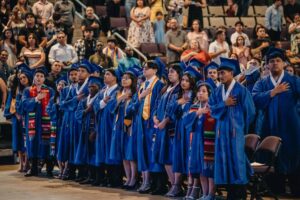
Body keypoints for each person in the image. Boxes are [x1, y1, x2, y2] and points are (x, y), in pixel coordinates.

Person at [252, 47, 300, 197]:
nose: (275, 64)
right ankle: (275, 190)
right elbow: (254, 99)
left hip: (291, 127)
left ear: (284, 63)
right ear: (266, 65)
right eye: (271, 61)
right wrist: (272, 93)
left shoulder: (293, 80)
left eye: (278, 61)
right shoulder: (263, 83)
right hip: (269, 126)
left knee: (293, 156)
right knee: (272, 158)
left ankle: (296, 190)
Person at [209, 57, 255, 200]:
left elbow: (250, 112)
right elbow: (212, 110)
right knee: (224, 161)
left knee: (237, 160)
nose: (220, 76)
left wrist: (240, 127)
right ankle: (230, 192)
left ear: (232, 72)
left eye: (223, 73)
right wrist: (225, 103)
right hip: (221, 132)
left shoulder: (241, 90)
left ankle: (240, 193)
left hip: (236, 132)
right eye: (219, 73)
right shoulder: (217, 92)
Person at [171, 66, 202, 197]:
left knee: (190, 159)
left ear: (192, 82)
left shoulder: (196, 97)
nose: (183, 82)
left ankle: (193, 187)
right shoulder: (179, 95)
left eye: (187, 80)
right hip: (179, 130)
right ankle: (177, 185)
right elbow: (171, 113)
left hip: (190, 131)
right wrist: (179, 102)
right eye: (182, 79)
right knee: (179, 157)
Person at [152, 63, 182, 196]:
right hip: (161, 128)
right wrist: (154, 117)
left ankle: (177, 185)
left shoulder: (179, 90)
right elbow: (157, 104)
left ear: (179, 74)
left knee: (171, 157)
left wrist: (165, 121)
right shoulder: (166, 88)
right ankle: (172, 184)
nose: (169, 74)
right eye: (169, 72)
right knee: (164, 157)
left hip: (171, 129)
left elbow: (174, 110)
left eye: (173, 72)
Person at [135, 60, 164, 194]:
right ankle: (146, 181)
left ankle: (157, 184)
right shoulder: (142, 84)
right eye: (143, 68)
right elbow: (137, 102)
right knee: (143, 153)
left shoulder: (159, 84)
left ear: (155, 70)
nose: (144, 70)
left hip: (152, 123)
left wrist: (154, 118)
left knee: (153, 153)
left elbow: (159, 104)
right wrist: (140, 96)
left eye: (146, 68)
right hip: (141, 122)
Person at [110, 67, 139, 190]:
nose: (124, 80)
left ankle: (134, 179)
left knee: (130, 154)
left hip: (130, 126)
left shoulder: (136, 93)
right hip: (119, 126)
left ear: (132, 80)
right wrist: (122, 98)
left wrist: (129, 99)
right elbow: (112, 108)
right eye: (123, 78)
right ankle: (127, 179)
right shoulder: (118, 93)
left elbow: (135, 109)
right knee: (123, 155)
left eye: (127, 78)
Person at [185, 82, 216, 200]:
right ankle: (204, 194)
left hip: (209, 141)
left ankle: (211, 194)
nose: (200, 93)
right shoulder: (194, 107)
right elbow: (186, 122)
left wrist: (206, 112)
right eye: (199, 91)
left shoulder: (213, 106)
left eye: (204, 91)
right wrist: (198, 113)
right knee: (200, 168)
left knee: (209, 167)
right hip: (197, 140)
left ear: (209, 93)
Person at [22, 68, 54, 177]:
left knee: (47, 144)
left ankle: (49, 170)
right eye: (37, 76)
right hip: (32, 122)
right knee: (33, 144)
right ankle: (33, 168)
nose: (39, 78)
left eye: (41, 76)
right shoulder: (28, 90)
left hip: (46, 122)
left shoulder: (50, 91)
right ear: (34, 78)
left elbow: (53, 105)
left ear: (44, 79)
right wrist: (36, 99)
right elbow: (24, 105)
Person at [93, 68, 121, 187]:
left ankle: (114, 179)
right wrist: (103, 102)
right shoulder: (102, 91)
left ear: (115, 77)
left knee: (111, 149)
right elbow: (95, 106)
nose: (105, 76)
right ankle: (101, 178)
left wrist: (104, 104)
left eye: (108, 74)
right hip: (101, 124)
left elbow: (113, 107)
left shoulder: (118, 91)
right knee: (101, 150)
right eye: (104, 74)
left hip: (111, 124)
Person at [74, 76, 103, 185]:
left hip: (96, 131)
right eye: (90, 86)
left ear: (99, 87)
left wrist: (95, 131)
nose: (91, 88)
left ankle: (98, 177)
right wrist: (87, 110)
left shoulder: (99, 99)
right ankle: (89, 176)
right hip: (85, 130)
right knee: (87, 154)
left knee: (96, 154)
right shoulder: (84, 100)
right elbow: (77, 114)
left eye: (94, 86)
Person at [4, 66, 32, 173]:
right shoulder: (16, 89)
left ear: (28, 77)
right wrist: (15, 114)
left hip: (28, 118)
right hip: (17, 118)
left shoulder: (32, 89)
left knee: (27, 141)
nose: (22, 80)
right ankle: (21, 164)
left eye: (24, 77)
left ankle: (27, 163)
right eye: (20, 78)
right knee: (19, 141)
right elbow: (11, 103)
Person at [57, 65, 79, 180]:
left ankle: (71, 169)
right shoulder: (65, 89)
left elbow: (69, 104)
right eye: (71, 74)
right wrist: (75, 100)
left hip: (76, 118)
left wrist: (68, 103)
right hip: (66, 119)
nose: (74, 76)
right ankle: (65, 169)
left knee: (73, 143)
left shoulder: (81, 88)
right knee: (65, 143)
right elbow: (61, 104)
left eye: (76, 74)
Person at [46, 76, 67, 178]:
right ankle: (60, 169)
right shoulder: (53, 99)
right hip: (55, 125)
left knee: (64, 146)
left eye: (63, 85)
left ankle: (65, 170)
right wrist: (55, 107)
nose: (60, 87)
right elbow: (48, 110)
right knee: (56, 148)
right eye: (59, 85)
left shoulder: (67, 98)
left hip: (64, 125)